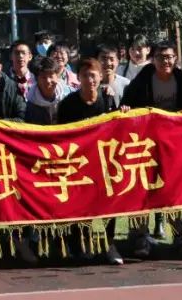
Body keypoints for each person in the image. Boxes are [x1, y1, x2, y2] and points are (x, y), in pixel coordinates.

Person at [121, 41, 182, 255]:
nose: (166, 61)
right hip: (145, 146)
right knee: (140, 190)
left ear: (175, 58)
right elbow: (127, 103)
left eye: (170, 57)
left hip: (173, 147)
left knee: (174, 191)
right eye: (161, 57)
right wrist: (126, 108)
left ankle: (179, 236)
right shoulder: (143, 79)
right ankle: (140, 238)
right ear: (153, 59)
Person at [57, 57, 122, 265]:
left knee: (109, 204)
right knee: (80, 205)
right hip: (78, 164)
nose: (89, 80)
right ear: (78, 78)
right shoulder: (68, 104)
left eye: (93, 75)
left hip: (104, 162)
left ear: (101, 76)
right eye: (85, 75)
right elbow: (61, 135)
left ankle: (109, 244)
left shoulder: (108, 99)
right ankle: (80, 245)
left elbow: (117, 127)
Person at [24, 56, 66, 125]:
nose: (48, 81)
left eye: (51, 76)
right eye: (43, 77)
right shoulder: (29, 105)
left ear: (57, 76)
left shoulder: (68, 97)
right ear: (36, 79)